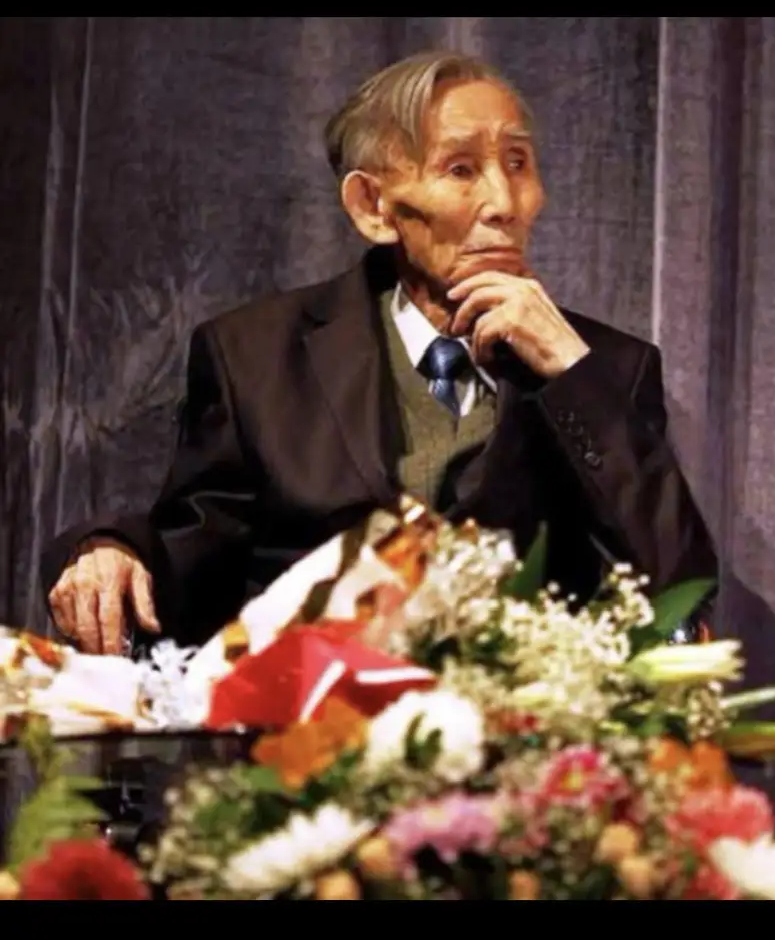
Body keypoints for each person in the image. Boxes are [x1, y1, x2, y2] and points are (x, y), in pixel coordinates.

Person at [43, 50, 718, 654]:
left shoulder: (607, 369)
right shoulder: (255, 357)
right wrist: (111, 551)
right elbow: (192, 563)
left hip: (523, 741)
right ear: (374, 206)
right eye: (461, 169)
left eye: (518, 163)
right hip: (310, 735)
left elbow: (678, 583)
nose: (504, 202)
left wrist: (573, 374)